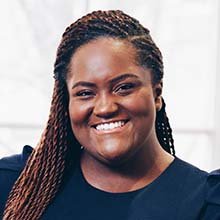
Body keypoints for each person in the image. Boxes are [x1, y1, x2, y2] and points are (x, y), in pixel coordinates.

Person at [0, 10, 219, 220]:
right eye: (85, 93)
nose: (105, 108)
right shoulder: (18, 184)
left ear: (156, 94)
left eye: (123, 87)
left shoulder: (206, 203)